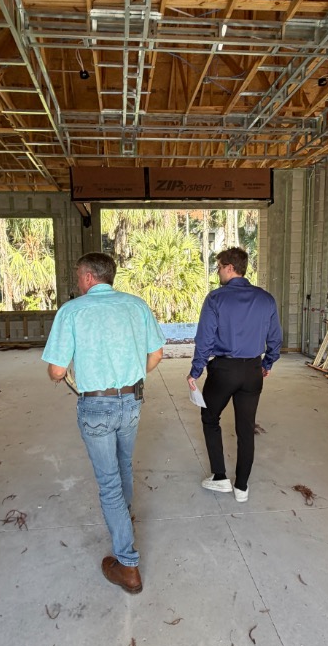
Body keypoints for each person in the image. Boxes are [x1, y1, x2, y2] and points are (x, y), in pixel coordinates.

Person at [42, 253, 165, 594]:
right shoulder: (136, 306)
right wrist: (132, 376)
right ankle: (125, 519)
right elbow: (156, 355)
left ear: (87, 277)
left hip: (96, 406)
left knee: (109, 483)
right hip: (132, 400)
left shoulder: (72, 311)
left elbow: (56, 370)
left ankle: (127, 565)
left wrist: (60, 374)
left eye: (78, 275)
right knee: (124, 464)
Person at [187, 247, 282, 503]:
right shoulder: (266, 299)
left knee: (210, 417)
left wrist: (195, 371)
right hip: (252, 370)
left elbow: (205, 340)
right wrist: (268, 363)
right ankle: (242, 487)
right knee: (246, 428)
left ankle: (220, 477)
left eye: (219, 267)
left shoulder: (216, 299)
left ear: (230, 268)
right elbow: (275, 338)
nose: (217, 272)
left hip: (224, 370)